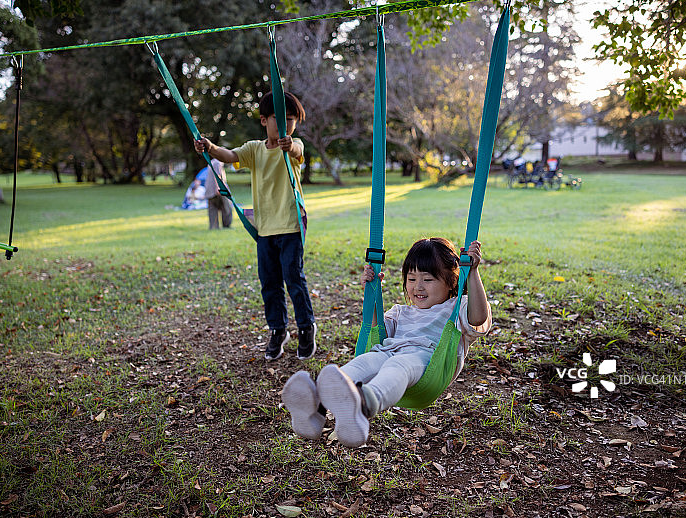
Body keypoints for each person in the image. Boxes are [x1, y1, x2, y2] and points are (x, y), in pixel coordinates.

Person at [281, 238, 492, 448]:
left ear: (451, 281)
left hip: (427, 362)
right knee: (366, 361)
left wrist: (472, 272)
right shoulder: (401, 312)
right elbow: (377, 329)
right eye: (411, 279)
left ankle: (363, 406)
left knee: (397, 365)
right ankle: (315, 408)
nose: (418, 287)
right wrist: (371, 291)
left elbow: (478, 318)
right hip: (389, 352)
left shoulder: (457, 308)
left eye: (428, 279)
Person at [194, 91, 316, 361]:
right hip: (265, 231)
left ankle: (306, 327)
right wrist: (211, 148)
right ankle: (278, 330)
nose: (285, 125)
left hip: (291, 227)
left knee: (294, 280)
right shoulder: (254, 149)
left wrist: (290, 145)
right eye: (278, 119)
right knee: (269, 284)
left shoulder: (294, 147)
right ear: (263, 120)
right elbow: (229, 155)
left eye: (291, 119)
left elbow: (297, 150)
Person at [204, 158, 232, 229]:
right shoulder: (218, 163)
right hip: (217, 190)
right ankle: (226, 226)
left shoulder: (211, 162)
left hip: (209, 190)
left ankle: (213, 227)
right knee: (227, 207)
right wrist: (218, 188)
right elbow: (217, 175)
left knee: (213, 209)